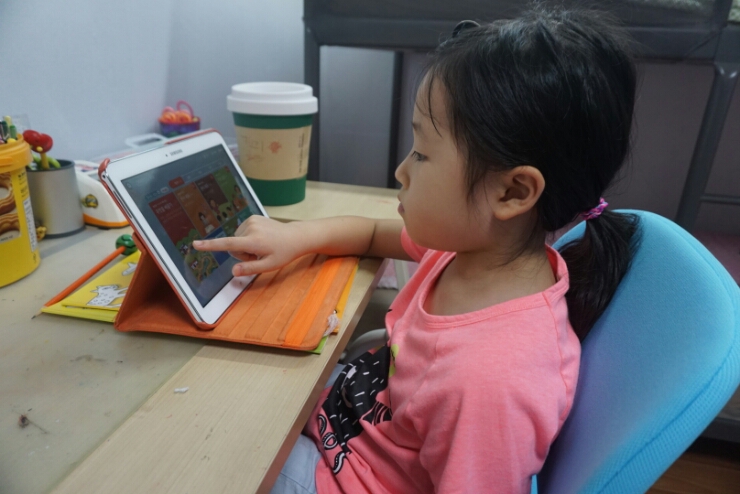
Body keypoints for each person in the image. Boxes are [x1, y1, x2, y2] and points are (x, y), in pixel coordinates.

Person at [194, 7, 640, 493]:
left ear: (512, 192)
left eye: (423, 153)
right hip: (342, 428)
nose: (401, 170)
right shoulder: (468, 251)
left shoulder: (490, 382)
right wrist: (294, 237)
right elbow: (370, 233)